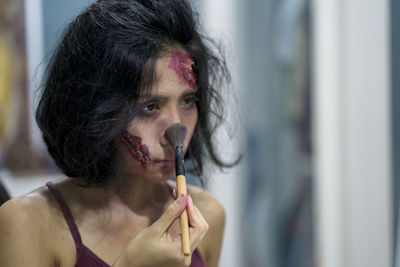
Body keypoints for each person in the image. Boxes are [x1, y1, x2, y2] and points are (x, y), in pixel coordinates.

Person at [0, 0, 236, 266]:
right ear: (95, 110)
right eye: (150, 106)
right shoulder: (28, 223)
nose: (175, 129)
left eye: (187, 100)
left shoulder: (207, 216)